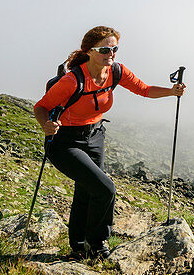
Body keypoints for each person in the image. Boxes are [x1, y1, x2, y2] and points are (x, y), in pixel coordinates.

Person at [33, 25, 185, 260]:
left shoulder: (116, 71)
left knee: (88, 190)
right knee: (105, 189)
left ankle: (79, 246)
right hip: (65, 142)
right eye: (105, 48)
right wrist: (46, 124)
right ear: (89, 50)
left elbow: (143, 89)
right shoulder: (73, 81)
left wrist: (171, 92)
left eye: (114, 48)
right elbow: (41, 107)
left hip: (95, 136)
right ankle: (98, 244)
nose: (111, 53)